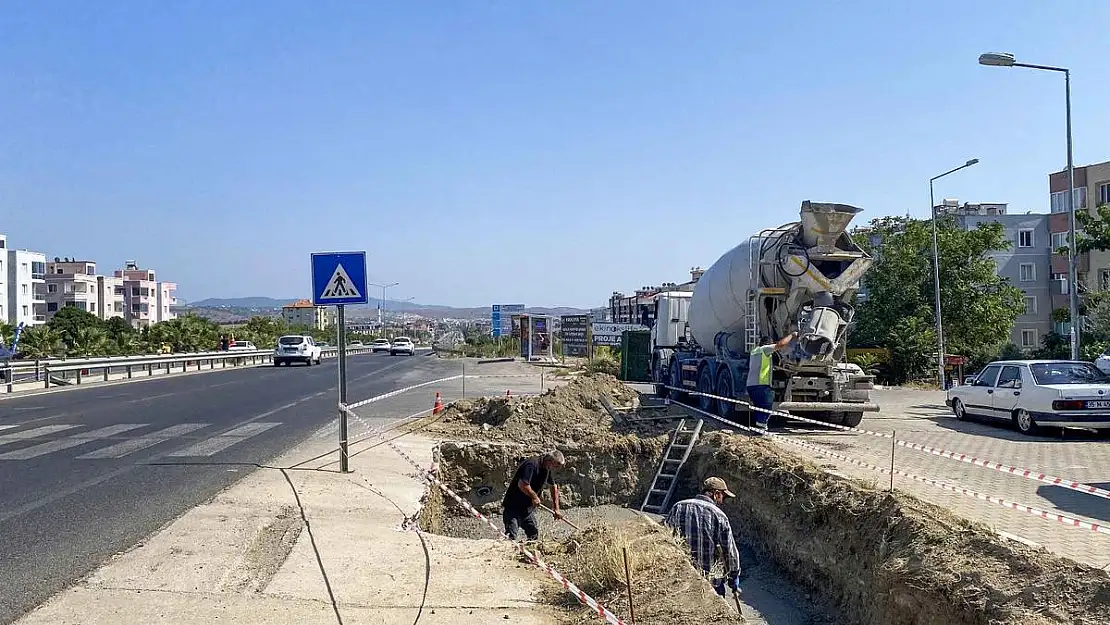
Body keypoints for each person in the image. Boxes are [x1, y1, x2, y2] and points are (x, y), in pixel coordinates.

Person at [665, 477, 742, 597]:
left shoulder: (678, 507)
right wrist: (734, 577)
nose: (722, 501)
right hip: (709, 583)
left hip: (680, 581)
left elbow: (665, 540)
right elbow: (730, 552)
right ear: (716, 494)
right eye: (723, 497)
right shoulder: (719, 516)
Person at [502, 450, 565, 541]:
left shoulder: (546, 469)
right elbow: (522, 484)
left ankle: (529, 554)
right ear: (550, 461)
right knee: (511, 536)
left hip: (526, 509)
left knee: (533, 534)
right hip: (513, 508)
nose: (555, 469)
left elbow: (553, 486)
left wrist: (556, 509)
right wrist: (534, 497)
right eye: (555, 466)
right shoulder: (531, 464)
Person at [746, 331, 797, 430]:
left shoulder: (755, 351)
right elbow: (780, 345)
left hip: (751, 385)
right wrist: (792, 335)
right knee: (766, 406)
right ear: (767, 344)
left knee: (759, 407)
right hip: (761, 385)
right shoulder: (765, 349)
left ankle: (758, 427)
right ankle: (761, 428)